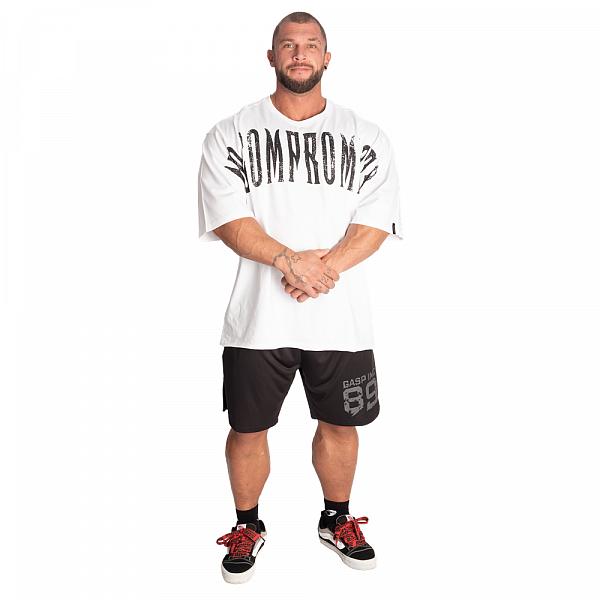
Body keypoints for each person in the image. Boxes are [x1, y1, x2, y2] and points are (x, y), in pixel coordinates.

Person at [198, 11, 403, 584]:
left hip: (340, 319)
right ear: (271, 56)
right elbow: (228, 219)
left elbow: (375, 222)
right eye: (288, 44)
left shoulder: (366, 136)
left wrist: (320, 270)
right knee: (247, 427)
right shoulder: (230, 133)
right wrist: (289, 262)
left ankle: (336, 519)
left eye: (311, 44)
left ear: (327, 57)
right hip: (257, 319)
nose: (299, 53)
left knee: (341, 424)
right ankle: (247, 525)